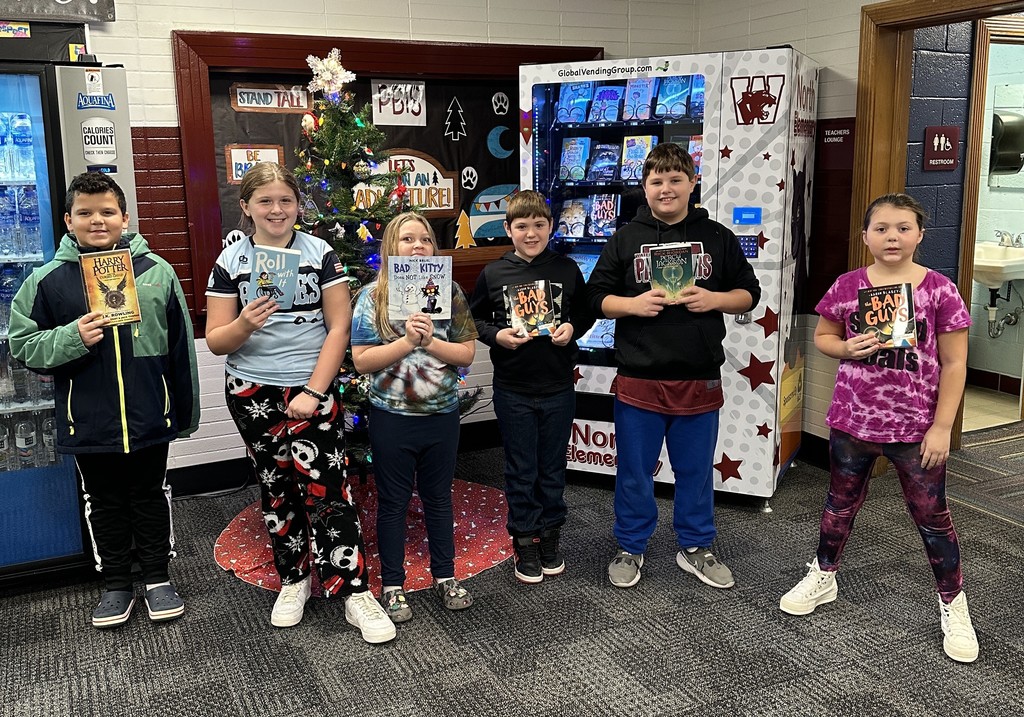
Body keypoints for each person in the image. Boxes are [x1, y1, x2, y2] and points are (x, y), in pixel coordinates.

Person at [779, 193, 979, 663]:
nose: (893, 236)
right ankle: (824, 574)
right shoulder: (849, 286)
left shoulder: (939, 290)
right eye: (882, 228)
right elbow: (825, 336)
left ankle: (954, 603)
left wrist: (943, 427)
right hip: (853, 421)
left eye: (904, 228)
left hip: (917, 429)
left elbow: (955, 364)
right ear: (865, 236)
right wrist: (845, 350)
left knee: (933, 518)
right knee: (838, 505)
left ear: (920, 235)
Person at [205, 163, 394, 644]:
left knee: (329, 489)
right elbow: (216, 341)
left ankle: (355, 590)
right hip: (252, 391)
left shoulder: (320, 252)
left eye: (285, 200)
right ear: (246, 207)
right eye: (265, 201)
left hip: (313, 386)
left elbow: (339, 327)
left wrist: (314, 390)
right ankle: (294, 579)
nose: (276, 209)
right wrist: (245, 322)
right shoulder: (231, 261)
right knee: (276, 487)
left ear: (297, 206)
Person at [9, 171, 200, 628]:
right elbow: (22, 344)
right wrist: (72, 337)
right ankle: (116, 582)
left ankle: (157, 578)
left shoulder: (156, 271)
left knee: (150, 495)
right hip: (88, 419)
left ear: (125, 217)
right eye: (86, 213)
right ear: (68, 220)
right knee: (104, 499)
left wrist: (184, 413)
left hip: (149, 414)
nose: (98, 220)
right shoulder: (47, 280)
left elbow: (179, 348)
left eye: (107, 212)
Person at [586, 142, 760, 590]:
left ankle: (696, 545)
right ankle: (630, 545)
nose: (666, 189)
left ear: (692, 183)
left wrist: (715, 299)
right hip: (639, 376)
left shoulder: (718, 236)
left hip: (699, 374)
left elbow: (749, 293)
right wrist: (633, 304)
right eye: (656, 181)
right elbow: (595, 299)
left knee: (696, 470)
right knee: (634, 471)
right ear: (644, 187)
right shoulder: (625, 238)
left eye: (675, 180)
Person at [350, 211, 478, 623]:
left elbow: (467, 353)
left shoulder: (450, 291)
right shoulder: (373, 297)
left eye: (425, 239)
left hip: (440, 414)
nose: (418, 245)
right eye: (407, 239)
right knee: (393, 501)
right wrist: (407, 342)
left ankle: (445, 575)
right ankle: (392, 583)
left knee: (439, 498)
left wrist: (431, 344)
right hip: (392, 416)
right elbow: (362, 360)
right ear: (391, 248)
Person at [469, 190, 594, 583]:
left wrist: (573, 329)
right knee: (521, 469)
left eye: (539, 224)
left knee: (553, 468)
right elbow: (473, 322)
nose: (531, 232)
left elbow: (585, 313)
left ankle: (550, 535)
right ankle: (524, 538)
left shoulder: (567, 269)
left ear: (551, 227)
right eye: (521, 226)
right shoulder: (494, 273)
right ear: (508, 229)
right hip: (513, 388)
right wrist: (497, 336)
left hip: (558, 386)